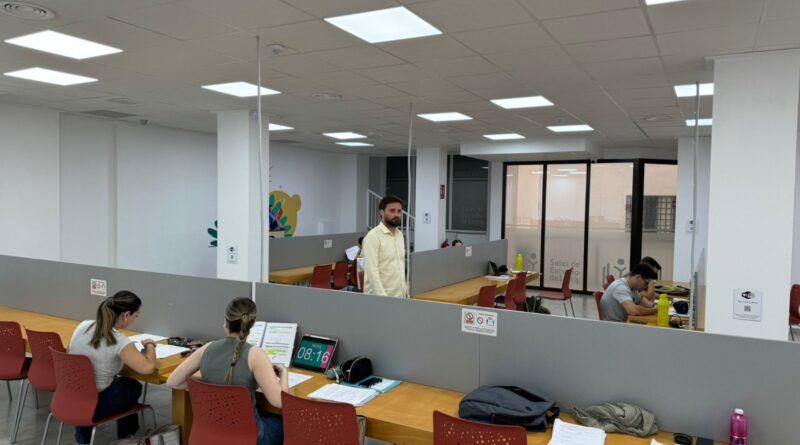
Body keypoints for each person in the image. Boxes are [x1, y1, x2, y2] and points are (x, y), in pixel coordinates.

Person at [167, 297, 288, 445]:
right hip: (247, 437)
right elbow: (280, 402)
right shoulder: (255, 354)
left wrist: (205, 385)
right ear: (252, 324)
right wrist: (284, 374)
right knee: (284, 424)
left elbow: (173, 382)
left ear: (225, 322)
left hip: (209, 433)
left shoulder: (207, 348)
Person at [68, 290, 157, 444]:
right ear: (126, 315)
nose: (136, 318)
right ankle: (126, 437)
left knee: (119, 384)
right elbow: (147, 368)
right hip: (97, 404)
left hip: (71, 396)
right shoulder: (119, 340)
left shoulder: (84, 325)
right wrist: (150, 345)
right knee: (133, 387)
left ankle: (84, 439)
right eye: (136, 315)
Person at [362, 195, 408, 298]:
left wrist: (405, 291)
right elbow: (372, 272)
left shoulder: (399, 235)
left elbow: (400, 266)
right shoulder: (373, 237)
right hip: (380, 298)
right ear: (382, 213)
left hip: (400, 296)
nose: (396, 214)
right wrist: (383, 298)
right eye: (392, 211)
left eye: (399, 211)